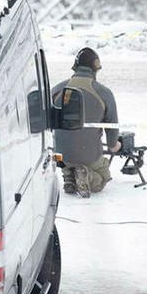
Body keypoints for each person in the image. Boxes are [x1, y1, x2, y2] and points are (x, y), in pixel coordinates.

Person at [51, 46, 120, 198]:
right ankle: (86, 176)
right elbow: (112, 128)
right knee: (103, 177)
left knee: (67, 156)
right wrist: (115, 145)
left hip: (60, 156)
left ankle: (69, 175)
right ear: (94, 68)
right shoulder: (104, 93)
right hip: (88, 155)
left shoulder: (57, 89)